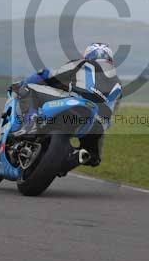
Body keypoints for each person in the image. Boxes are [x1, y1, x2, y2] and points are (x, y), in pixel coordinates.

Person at [11, 43, 122, 174]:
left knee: (28, 89)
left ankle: (30, 124)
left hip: (75, 102)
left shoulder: (82, 64)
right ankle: (78, 157)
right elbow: (111, 112)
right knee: (92, 156)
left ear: (88, 55)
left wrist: (26, 82)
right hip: (96, 123)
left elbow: (50, 75)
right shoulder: (118, 84)